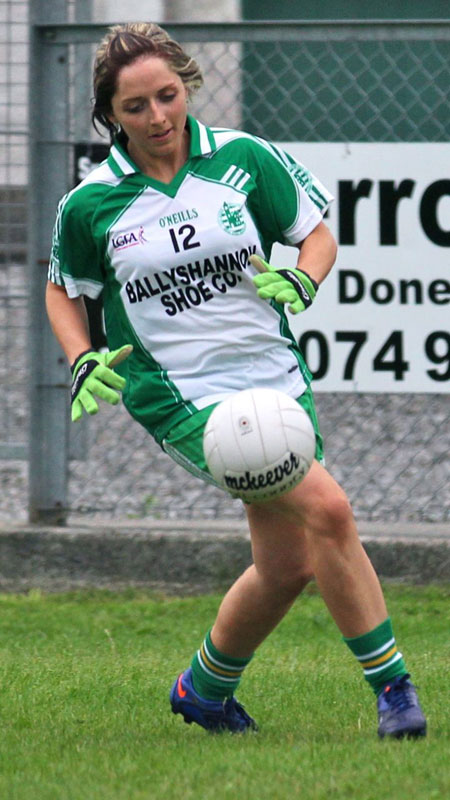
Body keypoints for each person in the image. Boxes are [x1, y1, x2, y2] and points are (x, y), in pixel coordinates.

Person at [46, 22, 427, 739]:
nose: (158, 117)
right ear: (110, 116)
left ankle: (204, 689)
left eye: (168, 96)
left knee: (286, 566)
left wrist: (303, 278)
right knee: (331, 511)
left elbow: (316, 235)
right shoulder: (92, 203)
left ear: (186, 86)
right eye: (136, 107)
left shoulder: (244, 159)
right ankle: (396, 694)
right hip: (181, 395)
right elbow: (63, 288)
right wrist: (82, 358)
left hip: (275, 375)